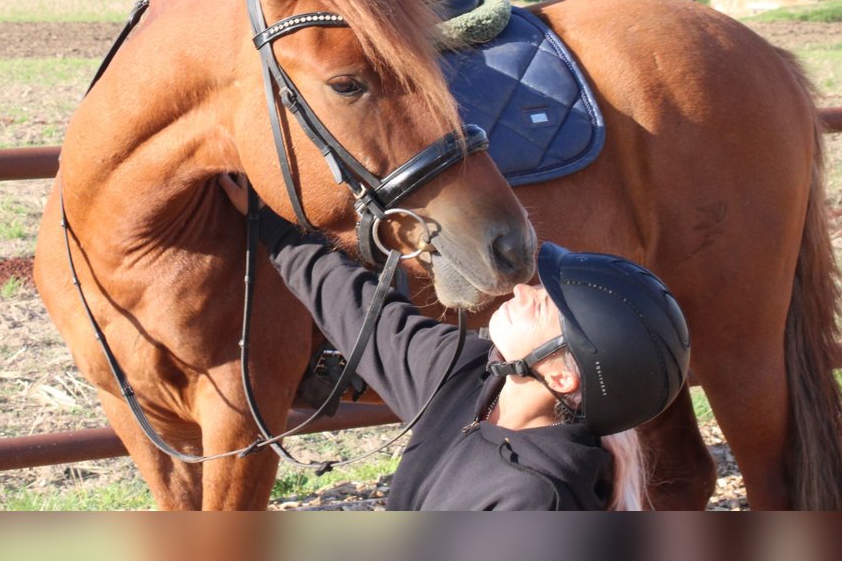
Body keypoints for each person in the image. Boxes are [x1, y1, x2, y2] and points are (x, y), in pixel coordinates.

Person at [218, 173, 691, 511]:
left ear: (562, 374)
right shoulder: (466, 374)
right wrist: (270, 222)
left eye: (544, 304)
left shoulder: (536, 501)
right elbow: (358, 308)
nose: (522, 288)